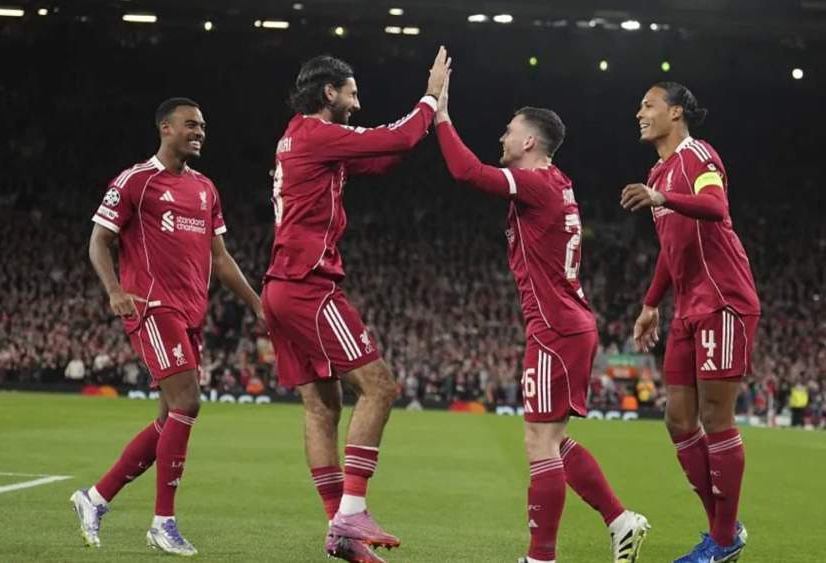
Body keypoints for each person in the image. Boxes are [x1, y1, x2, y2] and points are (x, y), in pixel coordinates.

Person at [433, 75, 649, 563]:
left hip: (555, 328)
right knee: (554, 439)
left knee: (539, 442)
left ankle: (540, 558)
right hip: (565, 324)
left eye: (510, 131)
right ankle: (620, 522)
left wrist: (440, 114)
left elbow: (467, 172)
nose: (502, 137)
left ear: (530, 141)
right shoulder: (558, 182)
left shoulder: (535, 184)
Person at [260, 48, 450, 562]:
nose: (358, 102)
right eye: (352, 93)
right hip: (308, 282)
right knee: (380, 388)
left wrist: (420, 129)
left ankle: (338, 530)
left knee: (322, 407)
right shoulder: (316, 134)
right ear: (329, 92)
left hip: (281, 285)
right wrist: (431, 98)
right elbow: (395, 138)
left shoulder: (298, 136)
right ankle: (351, 512)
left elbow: (385, 155)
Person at [70, 98, 263, 556]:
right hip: (153, 308)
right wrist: (115, 290)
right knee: (188, 403)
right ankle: (163, 522)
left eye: (203, 126)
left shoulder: (205, 189)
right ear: (165, 128)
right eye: (190, 124)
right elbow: (99, 241)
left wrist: (257, 304)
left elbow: (220, 258)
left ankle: (95, 498)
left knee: (168, 420)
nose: (199, 132)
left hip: (192, 314)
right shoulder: (135, 181)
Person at [621, 82, 760, 563]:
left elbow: (717, 208)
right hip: (686, 308)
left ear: (676, 112)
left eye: (649, 104)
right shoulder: (657, 171)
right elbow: (672, 247)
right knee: (678, 420)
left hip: (724, 300)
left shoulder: (698, 156)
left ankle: (722, 540)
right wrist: (650, 303)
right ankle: (723, 529)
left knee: (716, 419)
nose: (639, 112)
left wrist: (662, 196)